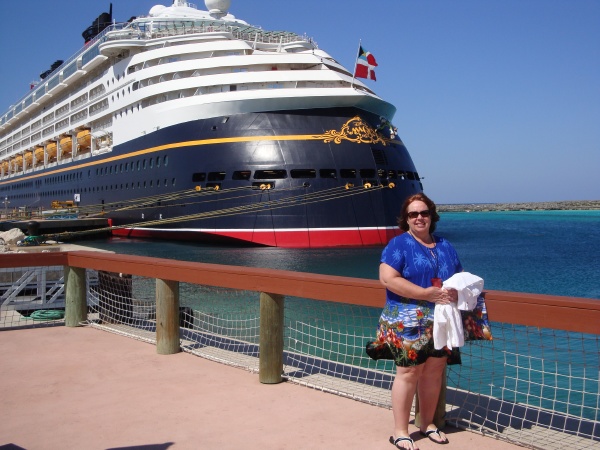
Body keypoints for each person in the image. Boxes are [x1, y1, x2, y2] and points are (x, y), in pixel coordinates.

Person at [378, 193, 463, 450]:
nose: (419, 218)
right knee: (408, 373)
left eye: (423, 213)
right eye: (413, 214)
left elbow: (459, 277)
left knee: (435, 371)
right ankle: (400, 431)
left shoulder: (446, 246)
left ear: (431, 216)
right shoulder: (398, 245)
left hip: (439, 319)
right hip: (407, 319)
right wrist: (425, 294)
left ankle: (426, 423)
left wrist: (457, 291)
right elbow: (388, 278)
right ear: (406, 219)